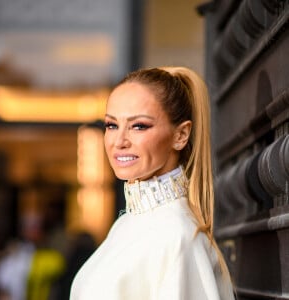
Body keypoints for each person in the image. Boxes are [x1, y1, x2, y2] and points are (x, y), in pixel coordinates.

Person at [70, 66, 235, 299]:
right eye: (111, 125)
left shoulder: (178, 235)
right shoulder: (126, 224)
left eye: (139, 126)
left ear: (181, 135)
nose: (119, 141)